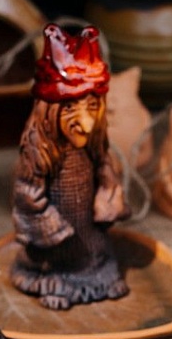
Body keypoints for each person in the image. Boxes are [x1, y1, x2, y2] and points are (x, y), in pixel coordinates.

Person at [10, 24, 130, 309]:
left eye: (92, 107)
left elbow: (105, 170)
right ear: (49, 112)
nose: (86, 123)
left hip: (88, 231)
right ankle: (56, 282)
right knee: (57, 261)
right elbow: (26, 194)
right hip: (57, 241)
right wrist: (51, 228)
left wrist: (108, 192)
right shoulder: (37, 150)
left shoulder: (94, 142)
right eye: (71, 108)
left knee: (95, 252)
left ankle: (97, 277)